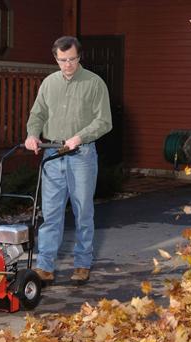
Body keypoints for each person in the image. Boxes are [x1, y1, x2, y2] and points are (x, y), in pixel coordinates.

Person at [24, 36, 112, 284]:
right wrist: (32, 135)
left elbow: (104, 121)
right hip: (52, 154)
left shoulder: (95, 84)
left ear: (79, 56)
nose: (68, 65)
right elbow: (37, 114)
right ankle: (45, 266)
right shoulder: (49, 83)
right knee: (51, 213)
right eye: (62, 60)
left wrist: (80, 137)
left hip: (81, 154)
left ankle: (82, 264)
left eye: (72, 59)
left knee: (83, 211)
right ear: (55, 58)